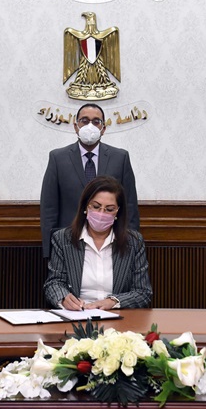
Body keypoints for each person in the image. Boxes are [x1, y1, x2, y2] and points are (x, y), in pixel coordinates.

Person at [40, 103, 139, 259]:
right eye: (84, 121)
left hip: (111, 244)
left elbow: (130, 206)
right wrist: (49, 252)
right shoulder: (57, 158)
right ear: (76, 126)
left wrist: (132, 249)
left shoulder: (120, 158)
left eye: (96, 121)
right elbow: (49, 209)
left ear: (103, 128)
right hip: (68, 244)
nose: (90, 126)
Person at [44, 176, 152, 310]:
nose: (101, 213)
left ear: (118, 212)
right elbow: (54, 283)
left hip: (116, 315)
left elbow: (142, 292)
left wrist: (113, 301)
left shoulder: (134, 242)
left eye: (109, 209)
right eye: (96, 207)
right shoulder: (62, 239)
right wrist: (64, 298)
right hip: (77, 314)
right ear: (86, 206)